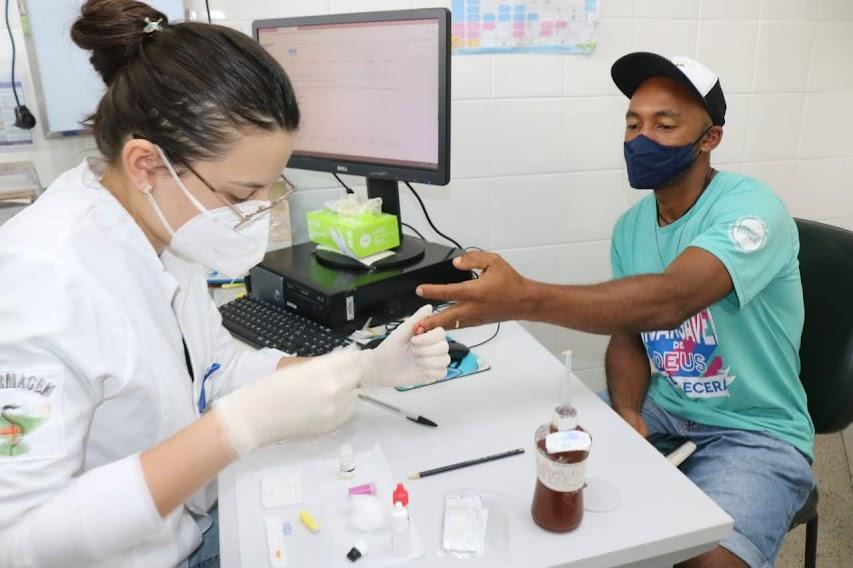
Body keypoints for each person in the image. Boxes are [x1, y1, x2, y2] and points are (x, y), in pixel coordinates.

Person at [0, 2, 449, 567]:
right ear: (146, 164)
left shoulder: (160, 229)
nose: (258, 212)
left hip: (199, 523)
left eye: (269, 188)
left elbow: (216, 369)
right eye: (240, 195)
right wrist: (235, 430)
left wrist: (364, 369)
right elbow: (17, 543)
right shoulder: (41, 284)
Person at [415, 53, 814, 568]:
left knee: (704, 561)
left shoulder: (753, 212)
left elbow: (670, 301)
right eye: (632, 123)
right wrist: (627, 409)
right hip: (663, 405)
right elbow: (630, 331)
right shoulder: (632, 226)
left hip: (755, 430)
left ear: (710, 138)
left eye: (664, 124)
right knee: (542, 478)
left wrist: (525, 298)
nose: (640, 138)